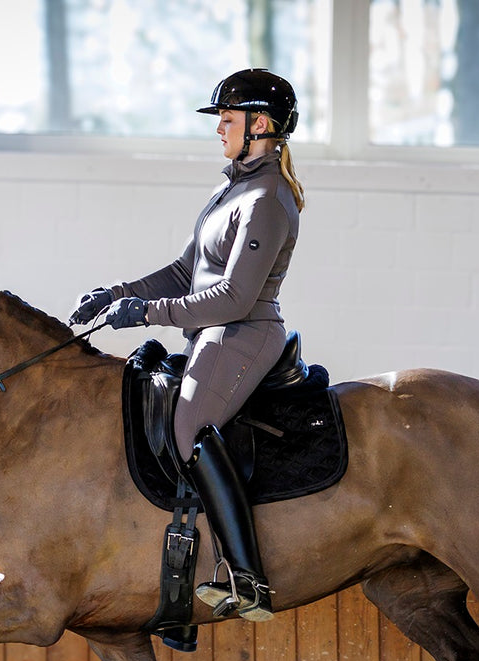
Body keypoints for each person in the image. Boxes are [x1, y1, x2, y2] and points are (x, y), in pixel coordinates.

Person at [71, 68, 305, 623]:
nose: (219, 129)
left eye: (228, 120)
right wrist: (118, 294)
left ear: (261, 125)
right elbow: (186, 271)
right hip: (214, 330)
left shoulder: (267, 199)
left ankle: (247, 579)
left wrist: (146, 314)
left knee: (186, 428)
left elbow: (232, 298)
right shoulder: (233, 189)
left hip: (241, 333)